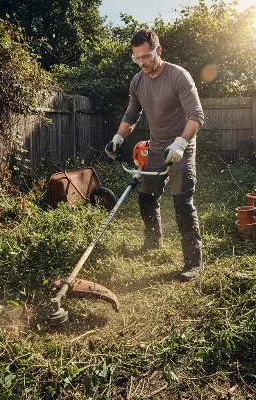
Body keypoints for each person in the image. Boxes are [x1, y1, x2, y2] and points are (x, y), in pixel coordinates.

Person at [105, 28, 204, 281]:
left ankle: (193, 263)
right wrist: (119, 137)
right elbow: (131, 114)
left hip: (182, 146)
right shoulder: (138, 81)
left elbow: (196, 116)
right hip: (157, 147)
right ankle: (153, 241)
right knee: (146, 197)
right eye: (136, 58)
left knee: (182, 203)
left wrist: (181, 142)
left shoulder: (178, 76)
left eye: (146, 57)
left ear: (158, 51)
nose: (142, 63)